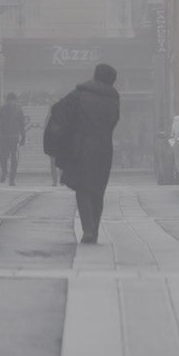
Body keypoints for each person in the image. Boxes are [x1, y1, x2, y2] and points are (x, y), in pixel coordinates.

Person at [52, 64, 120, 244]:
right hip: (105, 149)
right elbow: (113, 122)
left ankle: (88, 229)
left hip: (81, 148)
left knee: (83, 189)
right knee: (98, 190)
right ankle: (94, 229)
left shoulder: (80, 95)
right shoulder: (114, 99)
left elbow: (59, 111)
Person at [0, 92, 26, 186]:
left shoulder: (19, 110)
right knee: (3, 157)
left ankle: (12, 179)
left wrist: (23, 137)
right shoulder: (2, 110)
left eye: (13, 101)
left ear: (15, 101)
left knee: (14, 159)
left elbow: (22, 125)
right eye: (9, 101)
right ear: (6, 101)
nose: (11, 102)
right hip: (4, 137)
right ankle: (4, 171)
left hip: (14, 138)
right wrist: (2, 125)